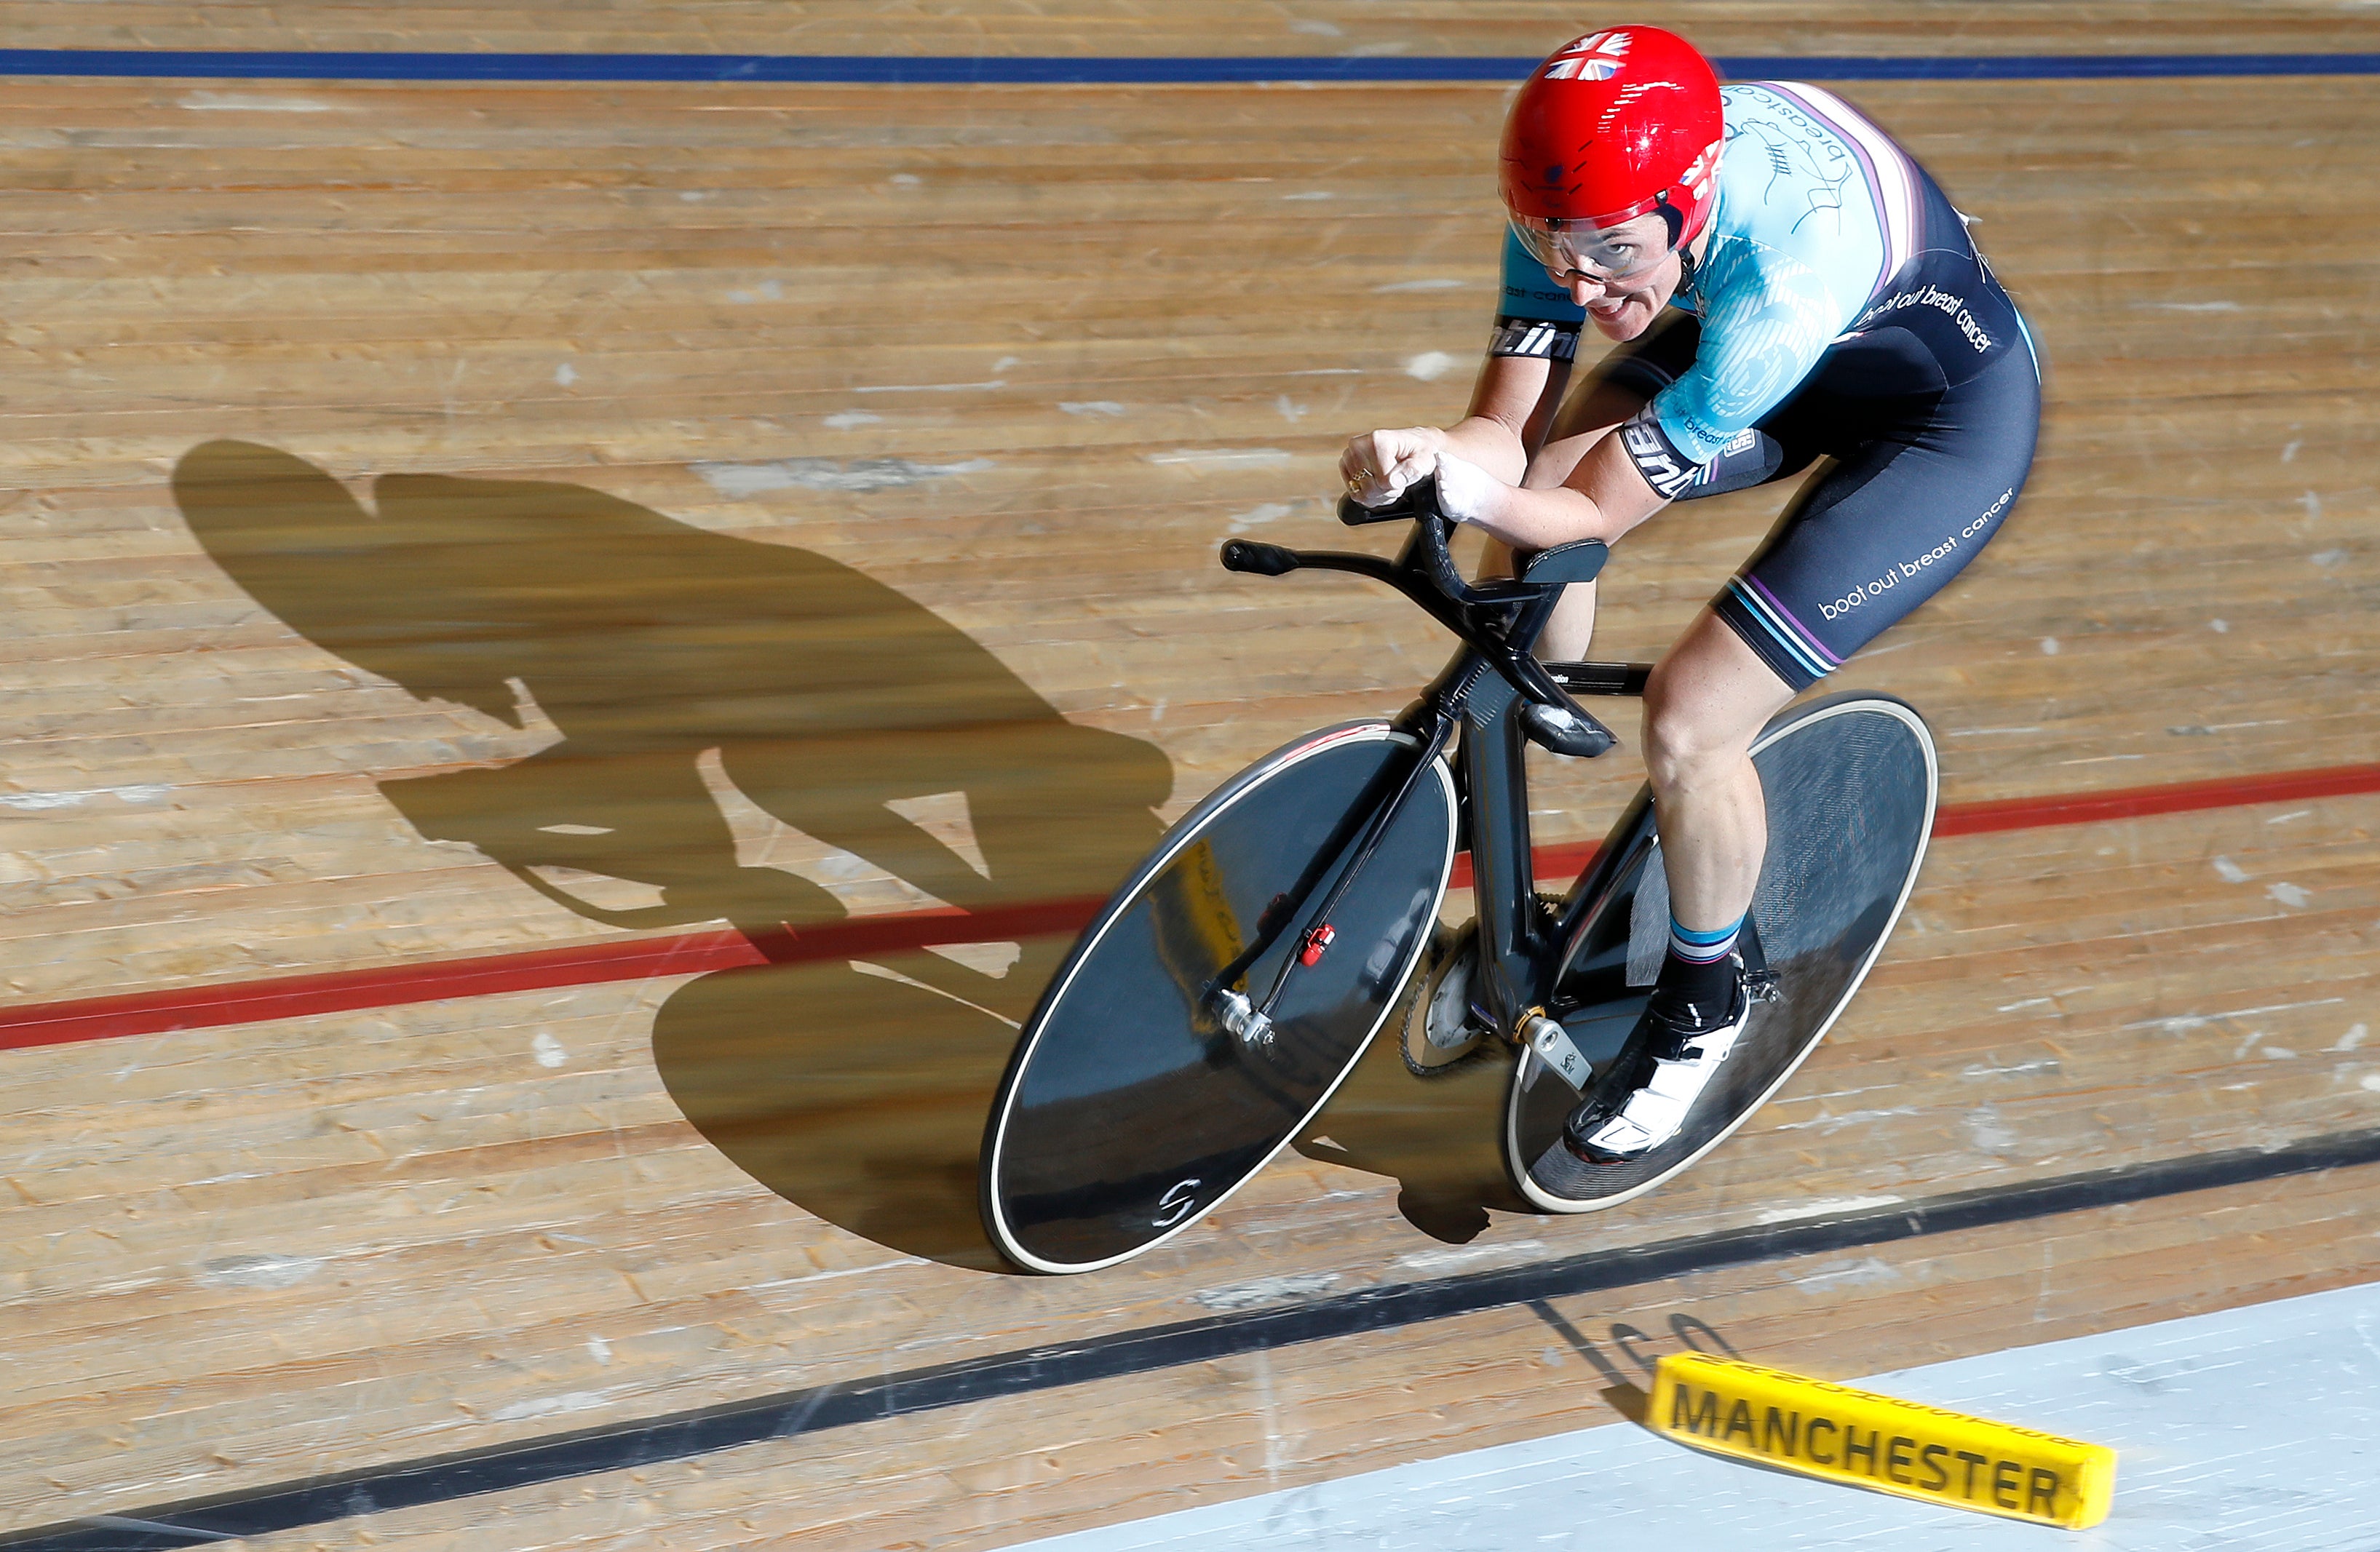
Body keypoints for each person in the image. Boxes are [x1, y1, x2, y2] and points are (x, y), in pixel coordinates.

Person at [1340, 25, 2039, 1165]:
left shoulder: (1773, 289)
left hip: (1934, 425)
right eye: (1549, 249)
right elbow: (1503, 438)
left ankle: (1702, 1003)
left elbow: (1581, 516)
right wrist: (1437, 452)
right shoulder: (1580, 195)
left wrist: (1485, 495)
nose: (1579, 283)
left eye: (1611, 252)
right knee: (1534, 501)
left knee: (1692, 715)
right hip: (1778, 346)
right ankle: (1529, 751)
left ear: (1686, 198)